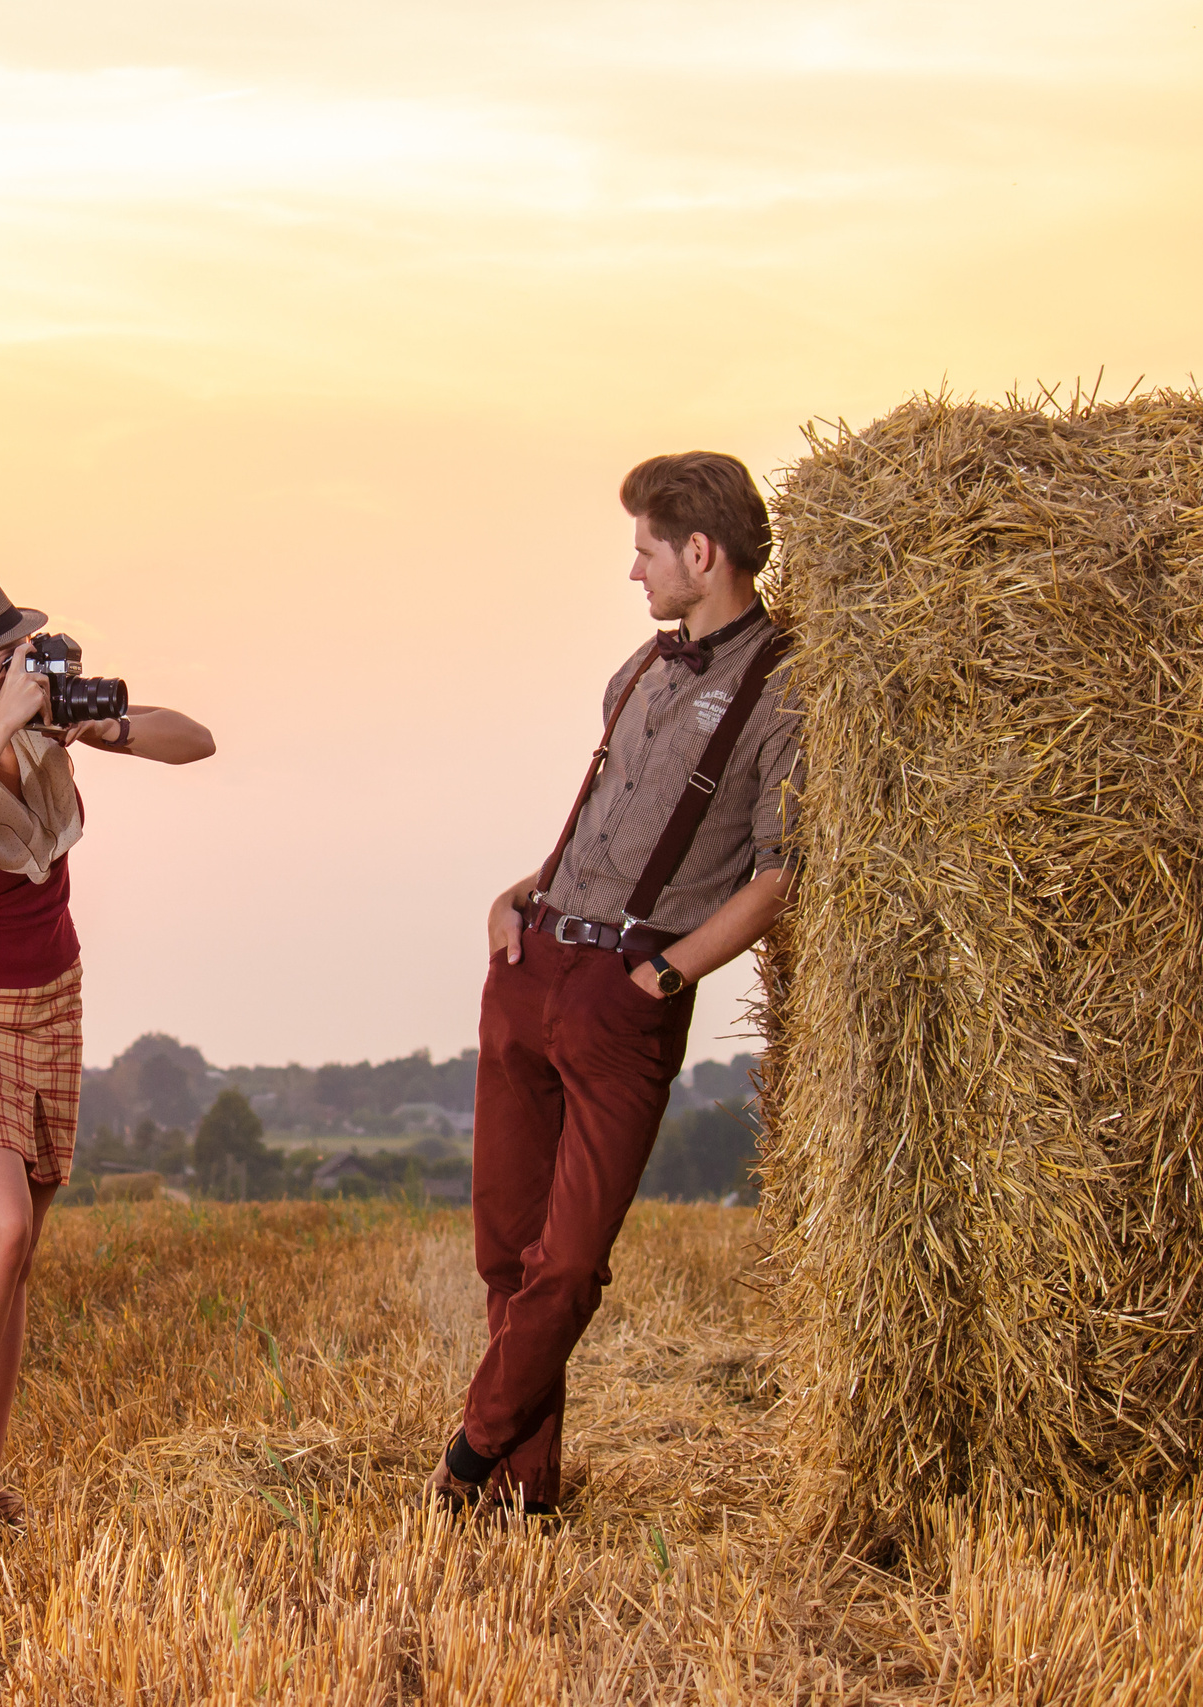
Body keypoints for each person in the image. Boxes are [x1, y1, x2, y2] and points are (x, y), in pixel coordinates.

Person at [433, 452, 801, 1518]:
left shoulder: (784, 689)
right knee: (504, 1250)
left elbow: (778, 872)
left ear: (701, 552)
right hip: (530, 958)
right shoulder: (635, 672)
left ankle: (471, 1449)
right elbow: (598, 831)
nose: (632, 570)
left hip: (621, 1002)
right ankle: (519, 1492)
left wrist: (664, 973)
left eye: (645, 548)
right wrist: (512, 898)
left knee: (570, 1260)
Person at [0, 566, 215, 1520]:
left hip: (49, 1002)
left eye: (19, 651)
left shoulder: (44, 729)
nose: (22, 667)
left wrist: (104, 726)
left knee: (18, 1254)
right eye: (0, 659)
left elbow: (199, 742)